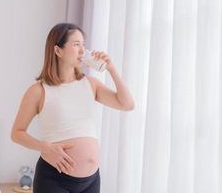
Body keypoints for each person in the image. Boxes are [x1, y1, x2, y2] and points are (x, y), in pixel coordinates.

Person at [11, 23, 134, 193]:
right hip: (54, 179)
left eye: (83, 44)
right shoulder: (38, 91)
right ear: (58, 51)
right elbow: (17, 133)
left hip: (91, 181)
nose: (83, 50)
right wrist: (44, 146)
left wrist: (111, 69)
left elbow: (127, 104)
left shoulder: (90, 84)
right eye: (76, 44)